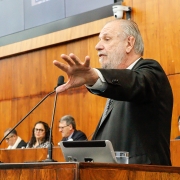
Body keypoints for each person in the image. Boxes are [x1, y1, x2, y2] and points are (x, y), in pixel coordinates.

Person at [53, 19, 173, 165]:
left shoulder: (151, 72)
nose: (97, 46)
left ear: (129, 43)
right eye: (99, 40)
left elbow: (133, 83)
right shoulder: (116, 88)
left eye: (107, 39)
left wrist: (95, 76)